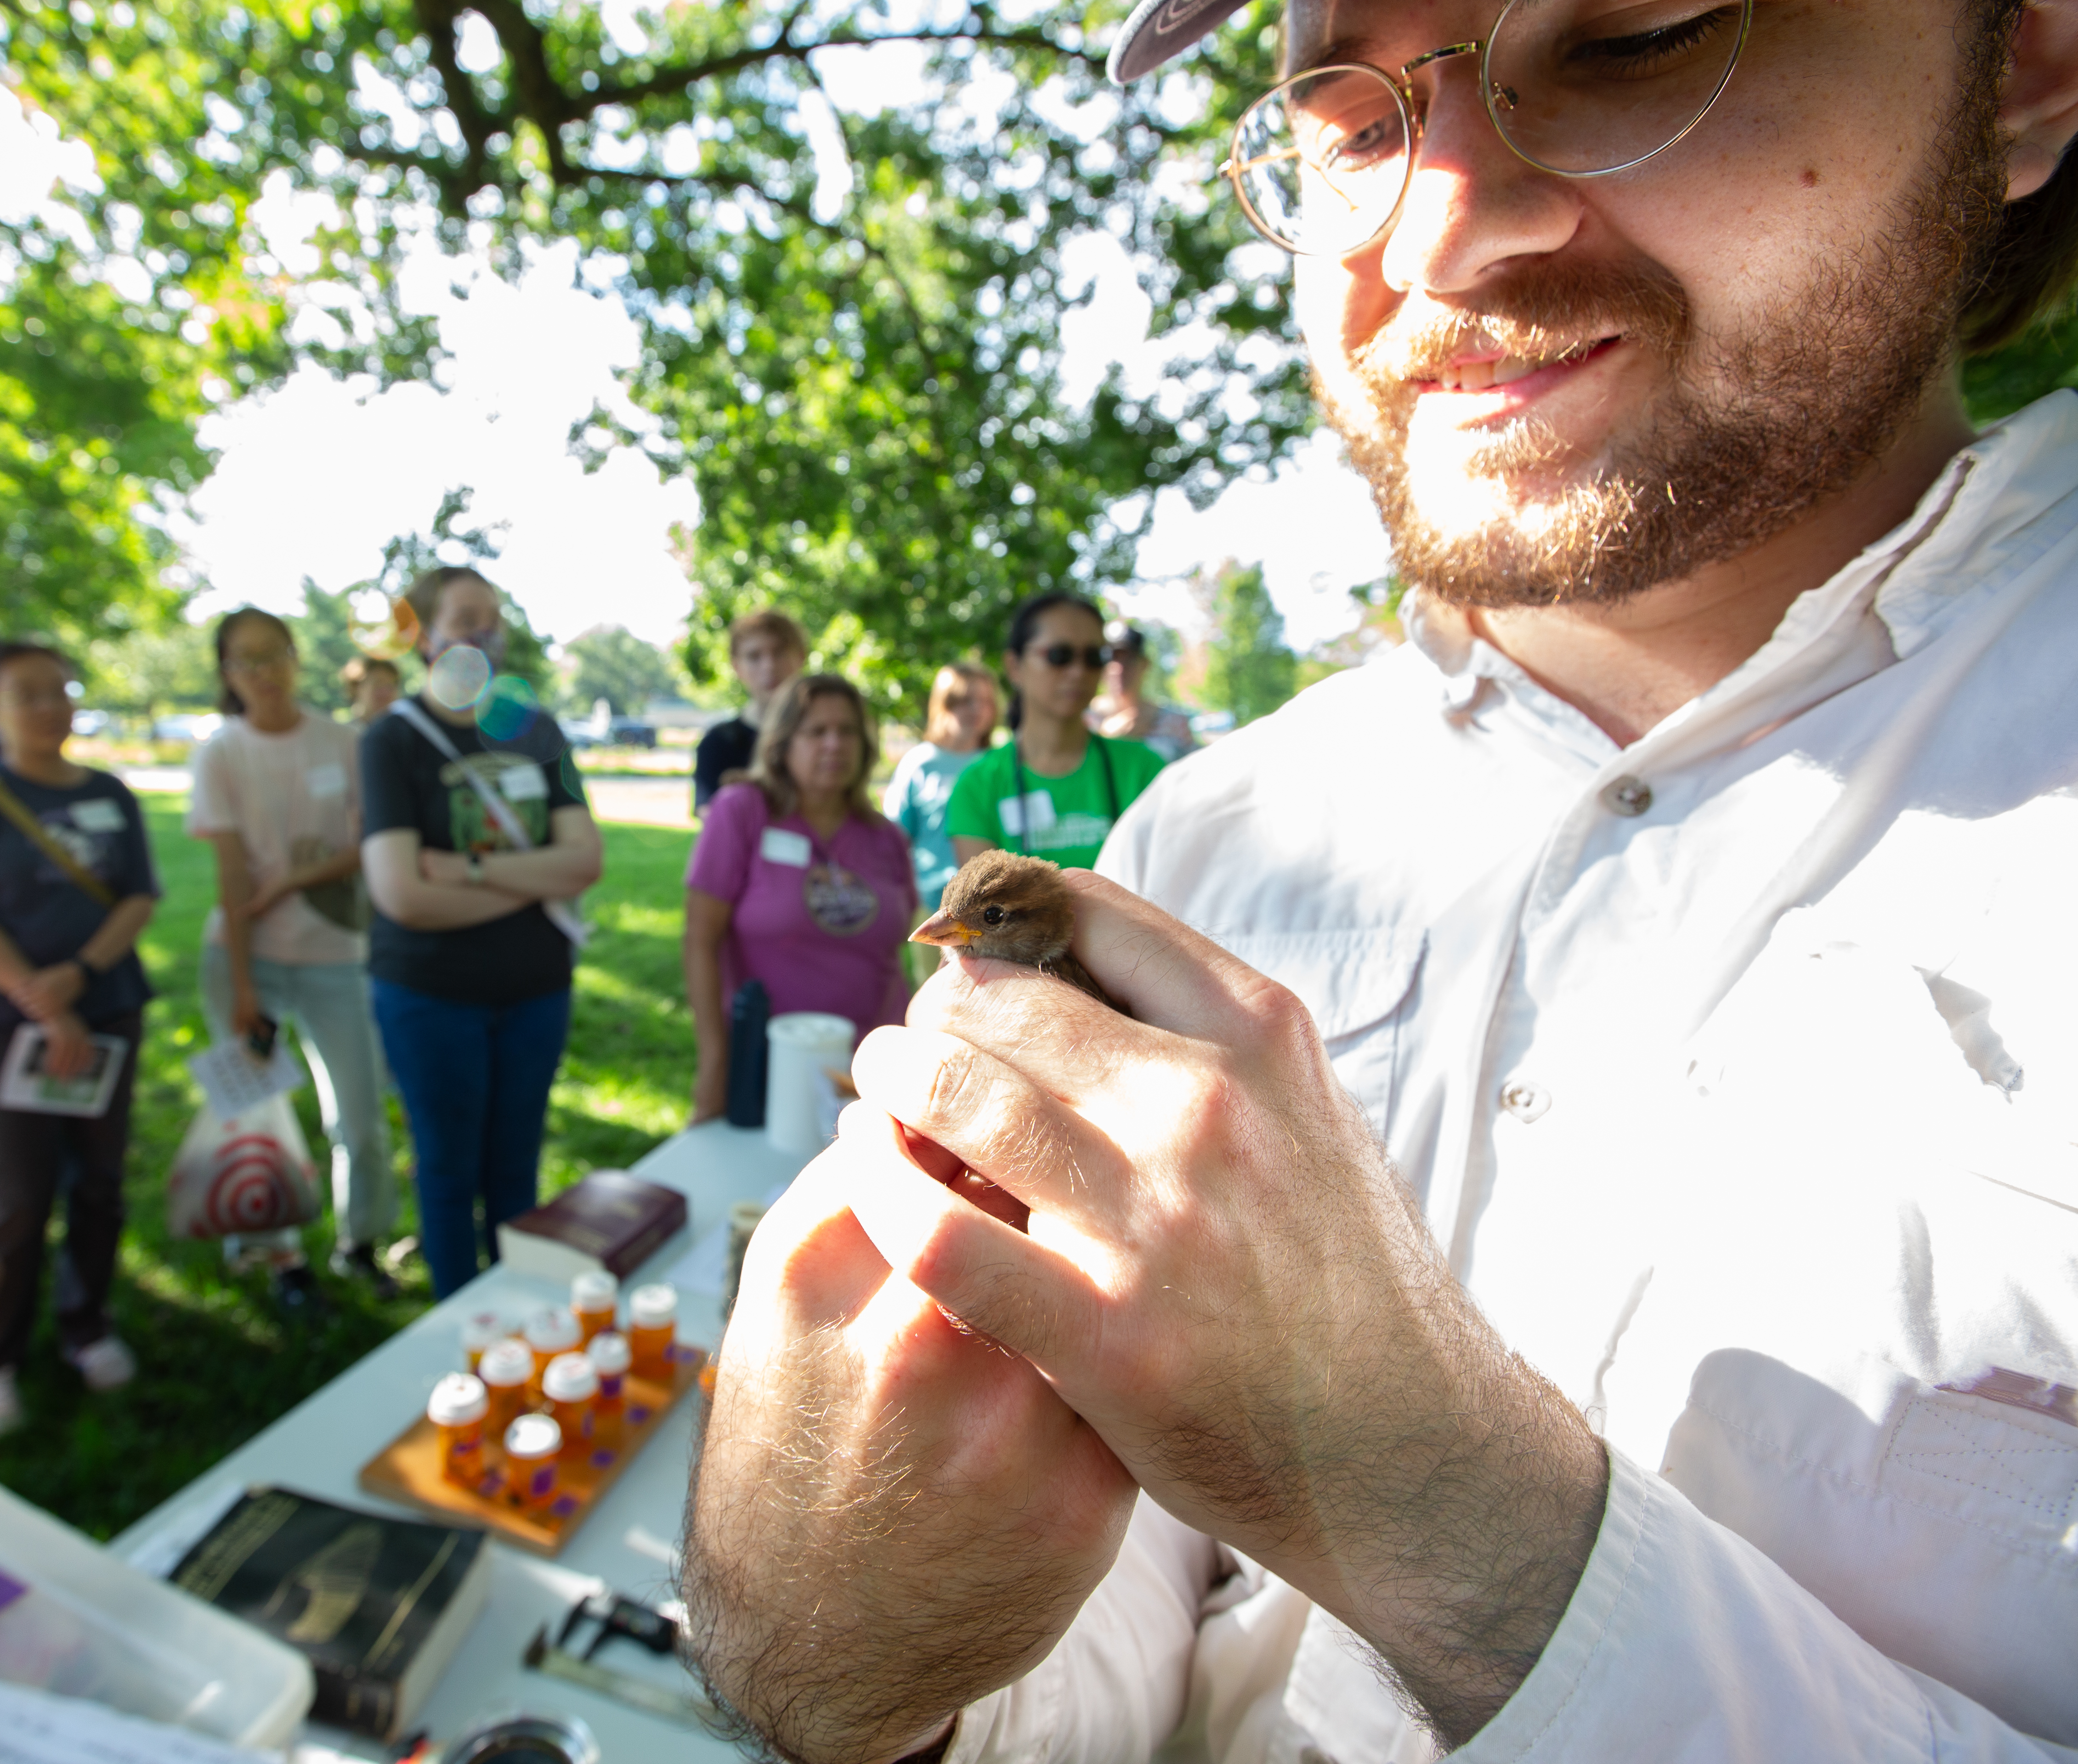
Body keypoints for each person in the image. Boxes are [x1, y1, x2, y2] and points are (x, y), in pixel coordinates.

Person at [684, 2, 2078, 1761]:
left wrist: (1436, 1514)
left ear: (2020, 66)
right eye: (1344, 116)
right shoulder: (1197, 845)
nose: (1436, 225)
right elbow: (1111, 1645)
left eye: (1637, 34)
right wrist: (860, 1654)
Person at [0, 642, 157, 1443]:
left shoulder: (112, 794)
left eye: (60, 691)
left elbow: (136, 899)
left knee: (101, 1181)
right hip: (4, 1026)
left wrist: (81, 976)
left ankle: (86, 1325)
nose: (49, 707)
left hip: (109, 1008)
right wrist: (42, 1004)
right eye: (26, 695)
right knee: (19, 1197)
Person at [360, 566, 601, 1299]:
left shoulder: (536, 730)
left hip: (535, 991)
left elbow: (585, 859)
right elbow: (400, 894)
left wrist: (460, 870)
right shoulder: (390, 742)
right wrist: (533, 883)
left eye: (493, 621)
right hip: (430, 995)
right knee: (446, 1167)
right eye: (466, 620)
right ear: (423, 634)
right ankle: (459, 1323)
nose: (483, 637)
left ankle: (519, 1308)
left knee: (515, 1164)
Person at [191, 609, 399, 1305]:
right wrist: (245, 987)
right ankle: (278, 1257)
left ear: (295, 658)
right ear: (228, 674)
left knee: (361, 1118)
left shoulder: (343, 742)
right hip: (245, 957)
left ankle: (359, 1243)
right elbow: (231, 878)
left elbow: (370, 843)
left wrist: (288, 880)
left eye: (274, 654)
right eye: (246, 661)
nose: (264, 673)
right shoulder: (221, 752)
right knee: (256, 1117)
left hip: (337, 953)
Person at [685, 674, 917, 1124]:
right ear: (782, 742)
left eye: (848, 731)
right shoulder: (741, 811)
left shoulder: (885, 838)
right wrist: (713, 1061)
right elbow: (700, 938)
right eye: (817, 731)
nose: (835, 744)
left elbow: (897, 952)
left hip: (871, 1069)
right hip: (765, 1063)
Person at [941, 591, 1166, 872]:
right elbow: (986, 910)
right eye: (1060, 656)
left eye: (1094, 657)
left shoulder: (1145, 771)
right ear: (1015, 667)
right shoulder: (978, 787)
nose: (1078, 671)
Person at [883, 661, 999, 917]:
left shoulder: (999, 764)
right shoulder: (919, 763)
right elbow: (896, 836)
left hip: (990, 906)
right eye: (967, 700)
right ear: (945, 703)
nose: (977, 709)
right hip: (932, 903)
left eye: (985, 701)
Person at [691, 609, 807, 814]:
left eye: (779, 652)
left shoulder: (828, 736)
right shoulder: (718, 743)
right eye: (754, 657)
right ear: (737, 667)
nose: (769, 666)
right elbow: (714, 822)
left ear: (800, 657)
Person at [1087, 621, 1196, 763]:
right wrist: (1107, 737)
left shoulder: (1174, 722)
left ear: (1145, 664)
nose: (1119, 669)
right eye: (1112, 658)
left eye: (1128, 659)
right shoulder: (1083, 721)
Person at [340, 654, 404, 729]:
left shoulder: (405, 734)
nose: (386, 692)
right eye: (378, 684)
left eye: (391, 685)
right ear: (356, 688)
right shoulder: (341, 733)